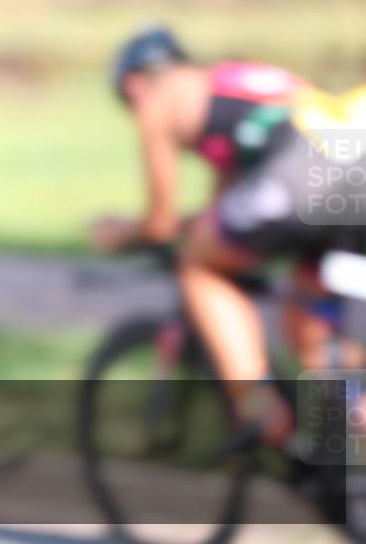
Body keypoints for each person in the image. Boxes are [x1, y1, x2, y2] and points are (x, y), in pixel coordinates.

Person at [95, 26, 366, 443]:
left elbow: (159, 223)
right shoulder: (230, 84)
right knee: (307, 317)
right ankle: (352, 427)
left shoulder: (158, 99)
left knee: (199, 267)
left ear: (133, 84)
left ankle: (259, 409)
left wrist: (118, 235)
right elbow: (222, 214)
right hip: (349, 168)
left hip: (300, 174)